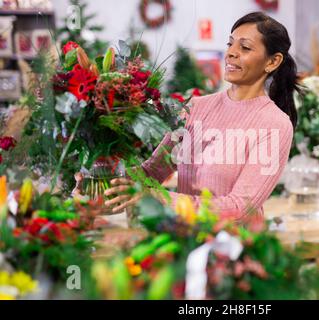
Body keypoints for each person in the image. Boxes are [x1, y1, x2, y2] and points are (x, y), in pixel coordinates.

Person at [104, 12, 301, 225]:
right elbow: (152, 172)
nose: (231, 53)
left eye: (245, 48)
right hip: (183, 241)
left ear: (272, 61)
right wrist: (103, 173)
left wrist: (158, 197)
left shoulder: (275, 124)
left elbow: (240, 207)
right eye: (230, 44)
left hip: (235, 248)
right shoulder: (196, 107)